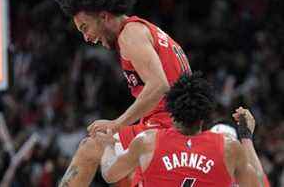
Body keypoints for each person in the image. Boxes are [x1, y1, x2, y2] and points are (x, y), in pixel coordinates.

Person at [57, 0, 191, 185]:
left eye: (85, 27)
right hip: (179, 126)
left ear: (103, 16)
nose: (86, 38)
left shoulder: (130, 34)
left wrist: (117, 124)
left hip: (166, 128)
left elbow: (159, 86)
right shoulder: (145, 30)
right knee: (123, 172)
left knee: (89, 149)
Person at [100, 72, 261, 187]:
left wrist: (108, 144)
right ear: (205, 116)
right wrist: (246, 137)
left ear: (172, 113)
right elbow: (260, 183)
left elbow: (109, 174)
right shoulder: (229, 147)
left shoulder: (147, 141)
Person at [210, 108, 270, 187]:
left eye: (228, 142)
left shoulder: (245, 174)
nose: (224, 147)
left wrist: (246, 137)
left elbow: (260, 184)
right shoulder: (201, 170)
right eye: (218, 141)